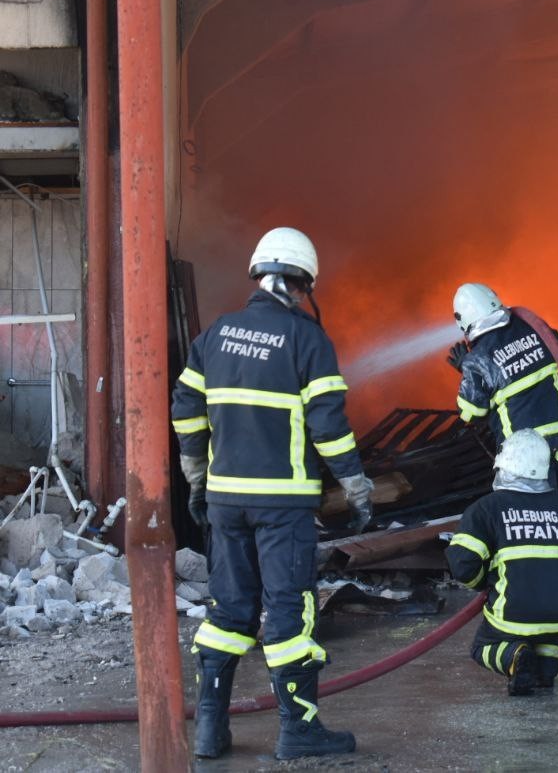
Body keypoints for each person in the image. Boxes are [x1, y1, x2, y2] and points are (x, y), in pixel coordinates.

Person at [171, 227, 374, 761]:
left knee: (228, 611)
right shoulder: (307, 339)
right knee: (288, 613)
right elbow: (329, 425)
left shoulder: (215, 334)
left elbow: (185, 413)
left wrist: (197, 482)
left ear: (258, 275)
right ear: (304, 282)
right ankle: (299, 731)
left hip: (224, 503)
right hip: (282, 505)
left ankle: (210, 732)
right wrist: (356, 487)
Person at [444, 428, 558, 695]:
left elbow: (462, 563)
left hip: (514, 613)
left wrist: (488, 584)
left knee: (481, 647)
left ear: (504, 466)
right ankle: (546, 668)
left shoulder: (487, 508)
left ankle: (514, 655)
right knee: (547, 618)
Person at [447, 283, 558, 492]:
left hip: (523, 452)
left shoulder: (478, 359)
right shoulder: (533, 327)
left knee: (531, 512)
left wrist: (466, 368)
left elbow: (470, 412)